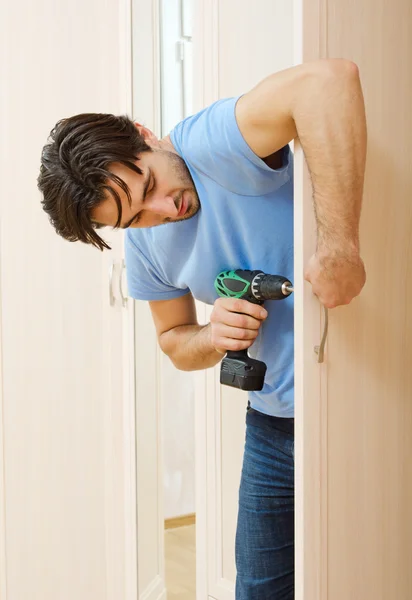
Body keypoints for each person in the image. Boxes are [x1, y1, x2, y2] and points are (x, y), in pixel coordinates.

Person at [38, 59, 367, 599]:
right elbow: (175, 343)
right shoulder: (145, 246)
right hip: (273, 422)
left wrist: (339, 245)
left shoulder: (210, 143)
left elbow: (329, 82)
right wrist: (213, 335)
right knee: (259, 589)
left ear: (145, 136)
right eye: (134, 216)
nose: (164, 210)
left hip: (356, 398)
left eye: (149, 184)